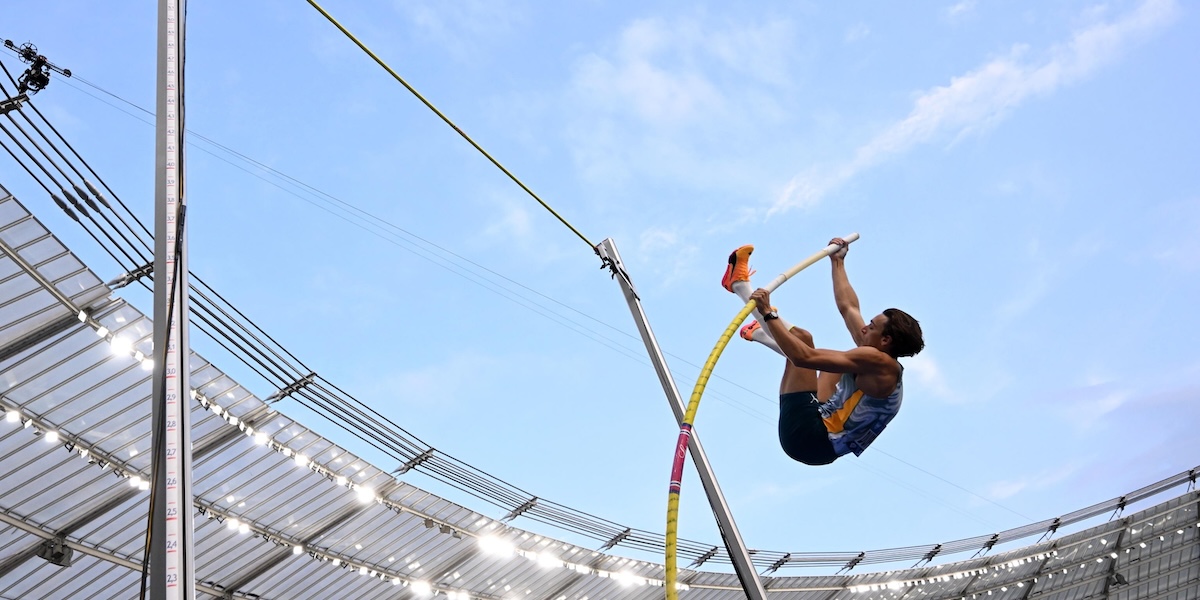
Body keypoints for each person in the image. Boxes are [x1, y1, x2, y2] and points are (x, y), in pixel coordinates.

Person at [719, 239, 924, 465]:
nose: (865, 326)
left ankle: (739, 286)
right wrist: (838, 262)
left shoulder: (878, 362)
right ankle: (759, 333)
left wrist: (767, 312)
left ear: (885, 340)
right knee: (830, 362)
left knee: (802, 340)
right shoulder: (873, 351)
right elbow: (849, 308)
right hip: (822, 432)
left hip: (810, 438)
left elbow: (803, 357)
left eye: (872, 326)